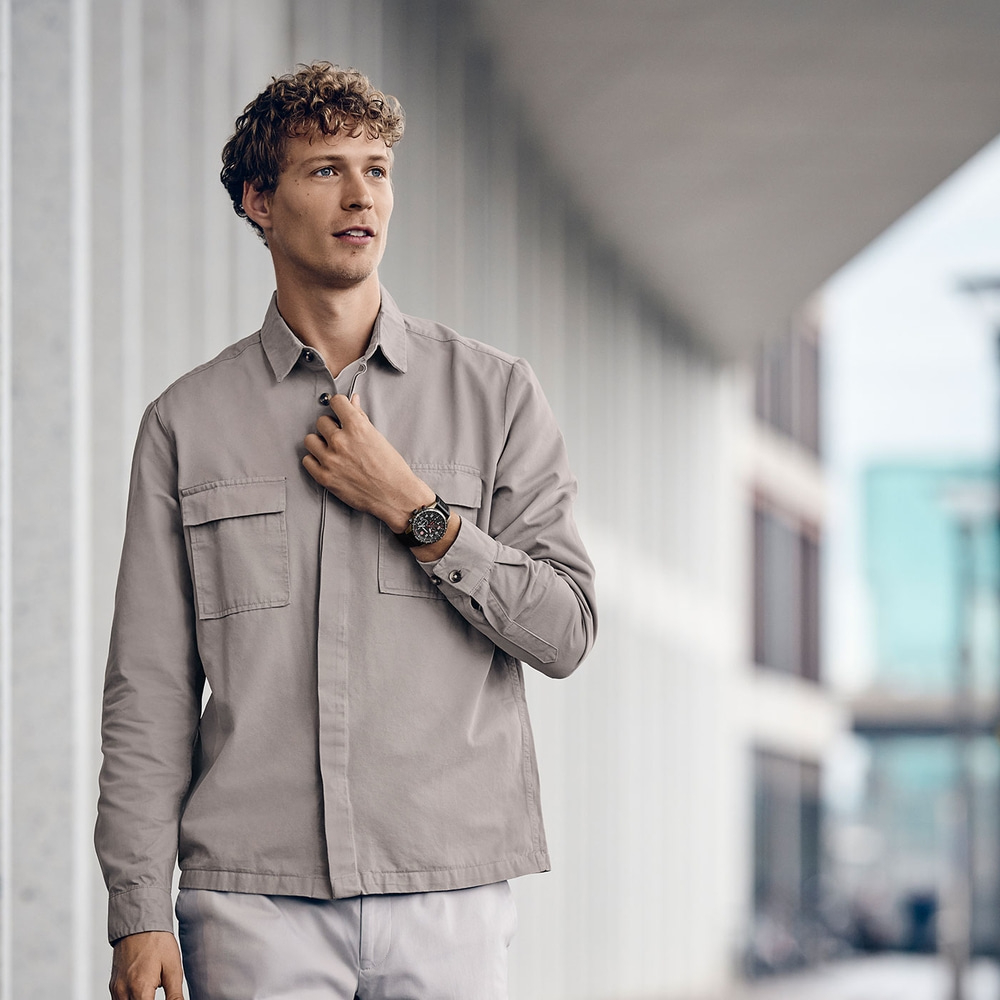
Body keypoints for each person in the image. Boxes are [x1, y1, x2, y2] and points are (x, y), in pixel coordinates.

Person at [96, 62, 596, 1000]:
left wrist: (422, 513)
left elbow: (566, 631)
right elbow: (150, 688)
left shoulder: (495, 395)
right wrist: (138, 909)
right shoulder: (185, 424)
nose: (361, 193)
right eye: (325, 169)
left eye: (377, 167)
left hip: (446, 889)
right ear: (258, 199)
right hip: (251, 901)